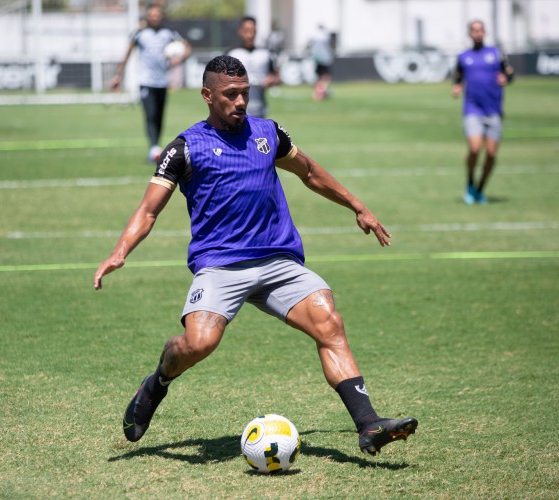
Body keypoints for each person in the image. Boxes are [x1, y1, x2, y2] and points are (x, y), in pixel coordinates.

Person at [94, 55, 418, 456]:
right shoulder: (185, 148)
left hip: (278, 261)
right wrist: (119, 252)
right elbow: (148, 211)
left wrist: (357, 206)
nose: (241, 102)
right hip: (220, 265)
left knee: (329, 322)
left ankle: (369, 425)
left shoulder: (268, 133)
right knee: (199, 344)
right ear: (207, 95)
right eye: (231, 95)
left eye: (245, 93)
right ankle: (156, 383)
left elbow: (310, 172)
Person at [110, 5, 192, 163]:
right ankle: (154, 147)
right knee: (150, 114)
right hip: (146, 82)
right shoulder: (139, 34)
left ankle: (156, 147)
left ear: (161, 16)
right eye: (152, 15)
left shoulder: (169, 34)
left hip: (162, 82)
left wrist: (180, 58)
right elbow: (127, 55)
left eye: (157, 15)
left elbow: (187, 48)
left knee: (159, 116)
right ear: (147, 16)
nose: (154, 17)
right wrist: (118, 76)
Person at [452, 20, 514, 205]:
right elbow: (457, 76)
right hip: (472, 109)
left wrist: (506, 78)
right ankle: (470, 182)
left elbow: (510, 74)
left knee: (492, 154)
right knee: (474, 148)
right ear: (470, 33)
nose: (477, 33)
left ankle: (480, 189)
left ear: (484, 32)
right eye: (474, 30)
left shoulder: (496, 53)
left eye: (480, 30)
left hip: (493, 109)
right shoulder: (463, 56)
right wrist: (456, 86)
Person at [227, 16, 280, 118]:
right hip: (236, 111)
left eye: (253, 31)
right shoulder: (231, 54)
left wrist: (273, 80)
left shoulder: (265, 54)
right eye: (246, 31)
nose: (250, 35)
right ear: (239, 31)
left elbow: (276, 76)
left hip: (260, 108)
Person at [308, 24, 334, 101]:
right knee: (325, 76)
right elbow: (330, 45)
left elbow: (309, 45)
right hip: (325, 59)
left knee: (319, 76)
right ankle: (321, 92)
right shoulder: (326, 35)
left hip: (316, 58)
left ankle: (318, 92)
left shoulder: (313, 35)